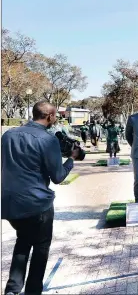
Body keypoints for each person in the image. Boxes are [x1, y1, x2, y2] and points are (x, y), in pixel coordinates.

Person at [2, 101, 79, 295]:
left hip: (9, 203)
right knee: (41, 247)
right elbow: (58, 176)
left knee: (23, 241)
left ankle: (12, 289)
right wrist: (71, 159)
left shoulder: (7, 135)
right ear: (50, 117)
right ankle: (33, 291)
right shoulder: (47, 139)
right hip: (37, 204)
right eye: (55, 117)